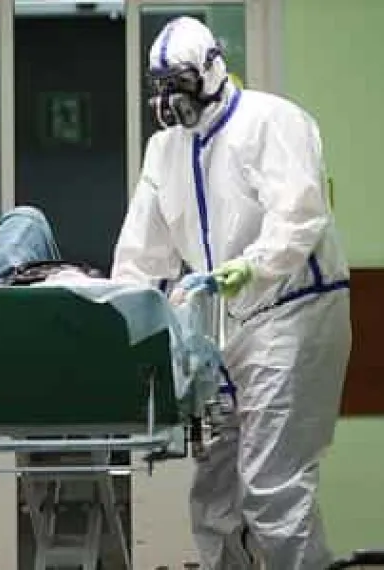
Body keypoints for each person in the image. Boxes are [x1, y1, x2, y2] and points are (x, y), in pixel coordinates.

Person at [111, 16, 350, 570]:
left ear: (212, 71)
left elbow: (300, 214)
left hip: (292, 311)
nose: (170, 101)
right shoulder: (165, 150)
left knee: (272, 486)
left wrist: (251, 267)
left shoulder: (271, 121)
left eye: (180, 84)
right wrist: (124, 314)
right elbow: (142, 252)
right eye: (160, 88)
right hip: (220, 327)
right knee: (214, 493)